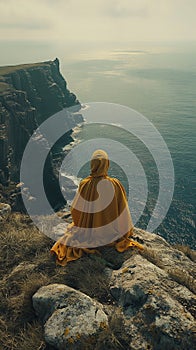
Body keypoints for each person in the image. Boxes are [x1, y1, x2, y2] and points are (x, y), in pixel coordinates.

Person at [50, 149, 143, 266]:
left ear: (92, 165)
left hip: (87, 231)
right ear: (107, 164)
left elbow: (75, 210)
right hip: (110, 234)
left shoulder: (85, 184)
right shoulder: (115, 184)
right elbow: (123, 212)